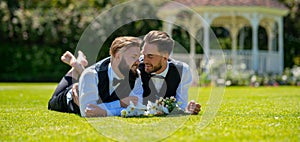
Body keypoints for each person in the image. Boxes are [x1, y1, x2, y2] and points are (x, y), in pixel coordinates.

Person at [79, 36, 143, 117]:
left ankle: (79, 66)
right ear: (118, 56)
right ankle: (76, 67)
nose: (138, 62)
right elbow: (87, 111)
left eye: (138, 57)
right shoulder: (91, 74)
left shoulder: (135, 74)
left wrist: (106, 112)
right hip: (67, 98)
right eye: (133, 57)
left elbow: (138, 108)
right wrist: (120, 103)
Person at [140, 30, 201, 115]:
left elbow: (181, 106)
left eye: (150, 56)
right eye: (143, 54)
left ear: (165, 56)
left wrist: (188, 109)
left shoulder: (182, 70)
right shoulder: (135, 67)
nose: (145, 60)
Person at [48, 50, 88, 115]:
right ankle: (77, 66)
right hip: (73, 95)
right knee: (52, 103)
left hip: (72, 94)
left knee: (52, 103)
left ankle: (78, 66)